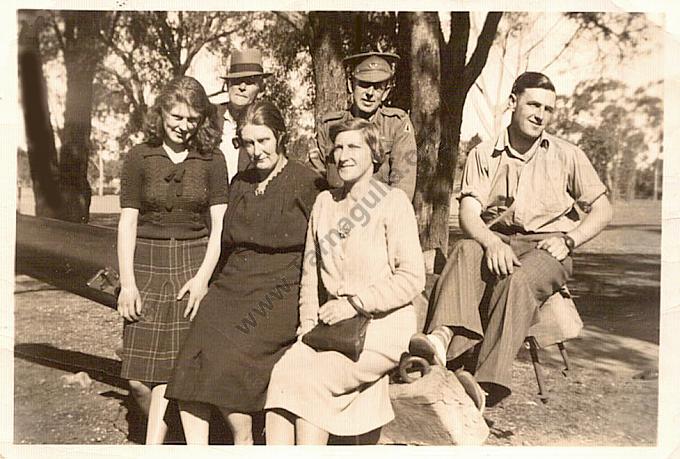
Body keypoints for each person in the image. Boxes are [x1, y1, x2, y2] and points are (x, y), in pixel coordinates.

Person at [408, 72, 613, 408]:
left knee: (516, 282)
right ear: (512, 103)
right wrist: (491, 242)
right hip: (499, 239)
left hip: (548, 246)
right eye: (533, 104)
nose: (540, 115)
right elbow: (470, 213)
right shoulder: (483, 153)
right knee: (464, 249)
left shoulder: (567, 154)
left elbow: (603, 209)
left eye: (548, 109)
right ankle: (441, 341)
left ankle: (485, 385)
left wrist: (571, 240)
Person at [166, 100, 325, 444]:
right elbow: (224, 242)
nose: (257, 151)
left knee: (230, 354)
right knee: (194, 352)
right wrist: (206, 282)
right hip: (233, 283)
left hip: (278, 289)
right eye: (249, 142)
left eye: (264, 140)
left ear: (280, 137)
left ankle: (244, 440)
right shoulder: (239, 183)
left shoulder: (307, 183)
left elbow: (325, 245)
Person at [265, 118, 426, 444]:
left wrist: (354, 304)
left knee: (313, 382)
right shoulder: (325, 203)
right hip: (333, 326)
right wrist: (308, 323)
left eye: (353, 146)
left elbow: (412, 278)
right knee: (282, 376)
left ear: (374, 153)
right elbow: (310, 273)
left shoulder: (393, 203)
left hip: (384, 325)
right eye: (338, 147)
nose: (343, 155)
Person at [116, 76, 229, 444]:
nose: (183, 126)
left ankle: (164, 445)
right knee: (137, 379)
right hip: (147, 263)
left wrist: (202, 279)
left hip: (193, 261)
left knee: (174, 370)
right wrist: (128, 283)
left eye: (192, 119)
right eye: (176, 116)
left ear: (202, 120)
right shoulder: (138, 157)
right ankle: (174, 433)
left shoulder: (212, 159)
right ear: (161, 112)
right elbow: (128, 222)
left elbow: (219, 225)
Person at [309, 51, 417, 201]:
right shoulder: (330, 126)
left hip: (379, 213)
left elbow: (402, 185)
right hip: (336, 211)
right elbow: (316, 179)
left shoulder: (396, 124)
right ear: (350, 85)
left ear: (385, 93)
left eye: (378, 87)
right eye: (364, 85)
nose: (370, 93)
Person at [215, 48, 271, 183]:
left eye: (250, 81)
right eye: (236, 80)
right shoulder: (209, 117)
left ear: (261, 90)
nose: (242, 87)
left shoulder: (267, 123)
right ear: (227, 84)